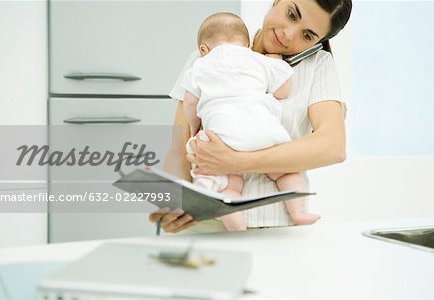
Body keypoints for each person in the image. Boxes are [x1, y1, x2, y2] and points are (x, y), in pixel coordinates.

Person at [150, 0, 352, 233]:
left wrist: (238, 161)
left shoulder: (318, 66)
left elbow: (333, 146)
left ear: (317, 42)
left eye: (307, 35)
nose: (288, 34)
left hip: (277, 232)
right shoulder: (207, 56)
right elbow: (179, 148)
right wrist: (173, 202)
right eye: (291, 14)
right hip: (206, 225)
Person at [182, 12, 320, 230]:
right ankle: (298, 211)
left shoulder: (199, 66)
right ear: (246, 45)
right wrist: (274, 64)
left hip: (224, 138)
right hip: (264, 133)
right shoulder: (258, 59)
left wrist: (194, 124)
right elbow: (283, 91)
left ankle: (236, 225)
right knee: (286, 172)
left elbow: (189, 103)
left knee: (230, 186)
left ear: (203, 50)